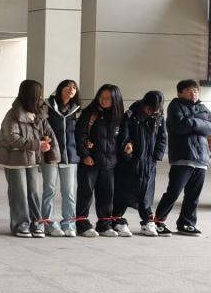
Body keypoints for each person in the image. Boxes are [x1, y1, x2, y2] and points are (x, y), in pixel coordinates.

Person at [0, 80, 59, 237]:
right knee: (19, 193)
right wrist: (37, 144)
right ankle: (20, 225)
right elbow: (12, 138)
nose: (41, 98)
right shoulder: (13, 114)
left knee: (33, 192)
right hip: (14, 160)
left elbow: (49, 133)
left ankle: (36, 223)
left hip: (32, 159)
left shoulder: (39, 114)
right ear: (29, 95)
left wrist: (48, 145)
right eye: (38, 95)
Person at [153, 79, 211, 236]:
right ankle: (157, 221)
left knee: (193, 195)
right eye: (189, 91)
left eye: (196, 91)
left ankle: (186, 223)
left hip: (201, 159)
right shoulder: (175, 106)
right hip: (183, 157)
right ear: (180, 93)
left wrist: (192, 122)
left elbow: (209, 128)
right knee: (174, 192)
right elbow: (180, 126)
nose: (194, 93)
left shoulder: (203, 108)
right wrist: (200, 121)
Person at [75, 84, 128, 238]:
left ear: (115, 100)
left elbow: (122, 138)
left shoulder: (119, 117)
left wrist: (127, 146)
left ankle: (104, 225)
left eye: (108, 99)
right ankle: (82, 224)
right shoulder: (89, 113)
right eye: (102, 97)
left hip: (109, 163)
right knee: (85, 194)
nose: (104, 101)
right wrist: (85, 155)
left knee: (106, 195)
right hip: (90, 162)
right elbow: (79, 135)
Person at [113, 91, 167, 237]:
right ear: (144, 104)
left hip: (149, 163)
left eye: (155, 110)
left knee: (146, 194)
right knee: (124, 192)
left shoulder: (159, 118)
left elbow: (162, 138)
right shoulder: (131, 115)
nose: (151, 112)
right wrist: (127, 148)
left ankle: (147, 221)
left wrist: (156, 157)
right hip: (131, 161)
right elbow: (123, 134)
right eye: (149, 108)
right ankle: (116, 219)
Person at [42, 80, 81, 237]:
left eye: (74, 87)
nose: (71, 89)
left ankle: (69, 223)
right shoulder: (47, 107)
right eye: (68, 86)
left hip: (69, 156)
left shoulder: (77, 110)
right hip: (51, 155)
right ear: (60, 89)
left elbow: (80, 133)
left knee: (69, 191)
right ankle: (47, 222)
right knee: (49, 190)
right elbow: (40, 126)